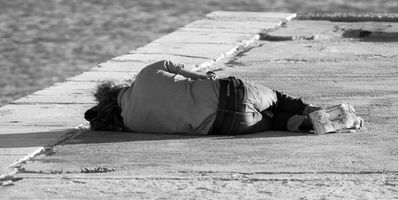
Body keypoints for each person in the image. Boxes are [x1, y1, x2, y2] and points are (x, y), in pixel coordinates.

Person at [84, 60, 321, 135]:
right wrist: (208, 76)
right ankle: (310, 110)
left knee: (273, 121)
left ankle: (303, 124)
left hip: (229, 124)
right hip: (230, 92)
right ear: (115, 91)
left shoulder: (131, 125)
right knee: (276, 99)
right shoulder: (146, 74)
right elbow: (196, 76)